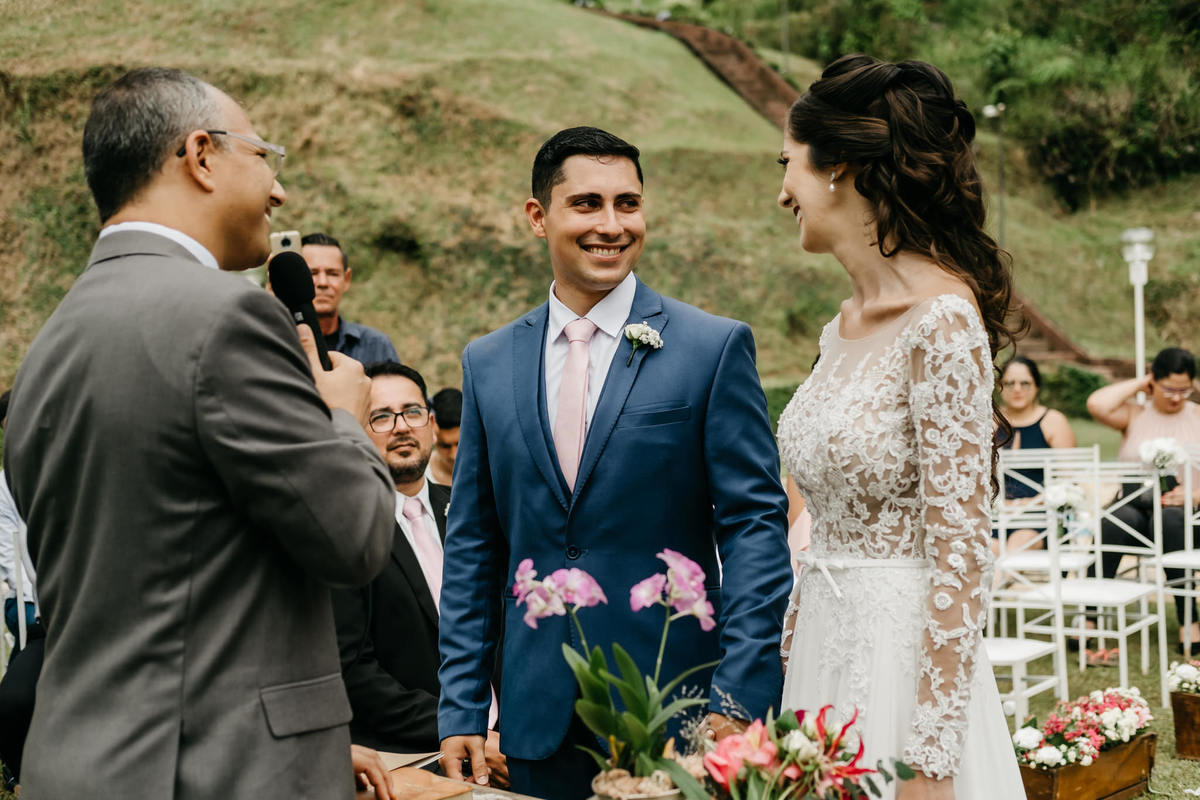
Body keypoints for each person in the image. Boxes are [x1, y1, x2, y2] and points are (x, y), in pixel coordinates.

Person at [2, 67, 397, 799]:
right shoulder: (227, 317)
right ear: (201, 155)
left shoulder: (51, 342)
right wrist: (344, 415)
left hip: (85, 761)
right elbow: (356, 536)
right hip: (216, 770)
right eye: (263, 157)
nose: (278, 192)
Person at [437, 126, 792, 800]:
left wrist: (739, 692)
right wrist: (460, 701)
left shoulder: (710, 348)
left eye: (627, 204)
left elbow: (753, 526)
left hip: (680, 711)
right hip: (536, 718)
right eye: (587, 204)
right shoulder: (487, 362)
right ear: (538, 217)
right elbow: (476, 543)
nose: (611, 224)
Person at [775, 55, 1025, 799]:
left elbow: (962, 549)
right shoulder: (839, 328)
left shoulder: (943, 321)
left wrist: (930, 757)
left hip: (899, 665)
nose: (781, 190)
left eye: (786, 164)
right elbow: (824, 526)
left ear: (838, 168)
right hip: (820, 648)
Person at [332, 361, 506, 783]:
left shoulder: (478, 507)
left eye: (412, 412)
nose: (401, 427)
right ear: (356, 428)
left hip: (515, 743)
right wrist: (464, 730)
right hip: (414, 761)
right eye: (381, 416)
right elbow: (353, 671)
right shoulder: (341, 527)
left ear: (430, 423)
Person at [1087, 347, 1200, 648]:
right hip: (1136, 512)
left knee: (1171, 519)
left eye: (1184, 389)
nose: (1177, 397)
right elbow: (1096, 403)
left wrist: (1194, 495)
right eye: (1169, 388)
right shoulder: (1135, 414)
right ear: (1154, 382)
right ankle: (1090, 616)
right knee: (1115, 518)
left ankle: (1189, 620)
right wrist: (1142, 382)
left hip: (1189, 518)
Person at [994, 355, 1077, 556]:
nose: (1017, 389)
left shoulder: (1053, 421)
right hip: (997, 515)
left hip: (1041, 516)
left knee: (1016, 546)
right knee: (986, 552)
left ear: (1037, 386)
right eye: (1009, 383)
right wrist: (1000, 504)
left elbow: (1068, 479)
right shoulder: (991, 421)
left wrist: (1031, 504)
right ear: (999, 387)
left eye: (1025, 383)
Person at [301, 232, 401, 363]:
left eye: (332, 274)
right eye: (312, 273)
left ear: (346, 279)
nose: (323, 282)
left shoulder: (376, 346)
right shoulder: (279, 342)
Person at [427, 387, 462, 487]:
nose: (454, 456)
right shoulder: (420, 476)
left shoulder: (493, 470)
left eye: (460, 444)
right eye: (445, 446)